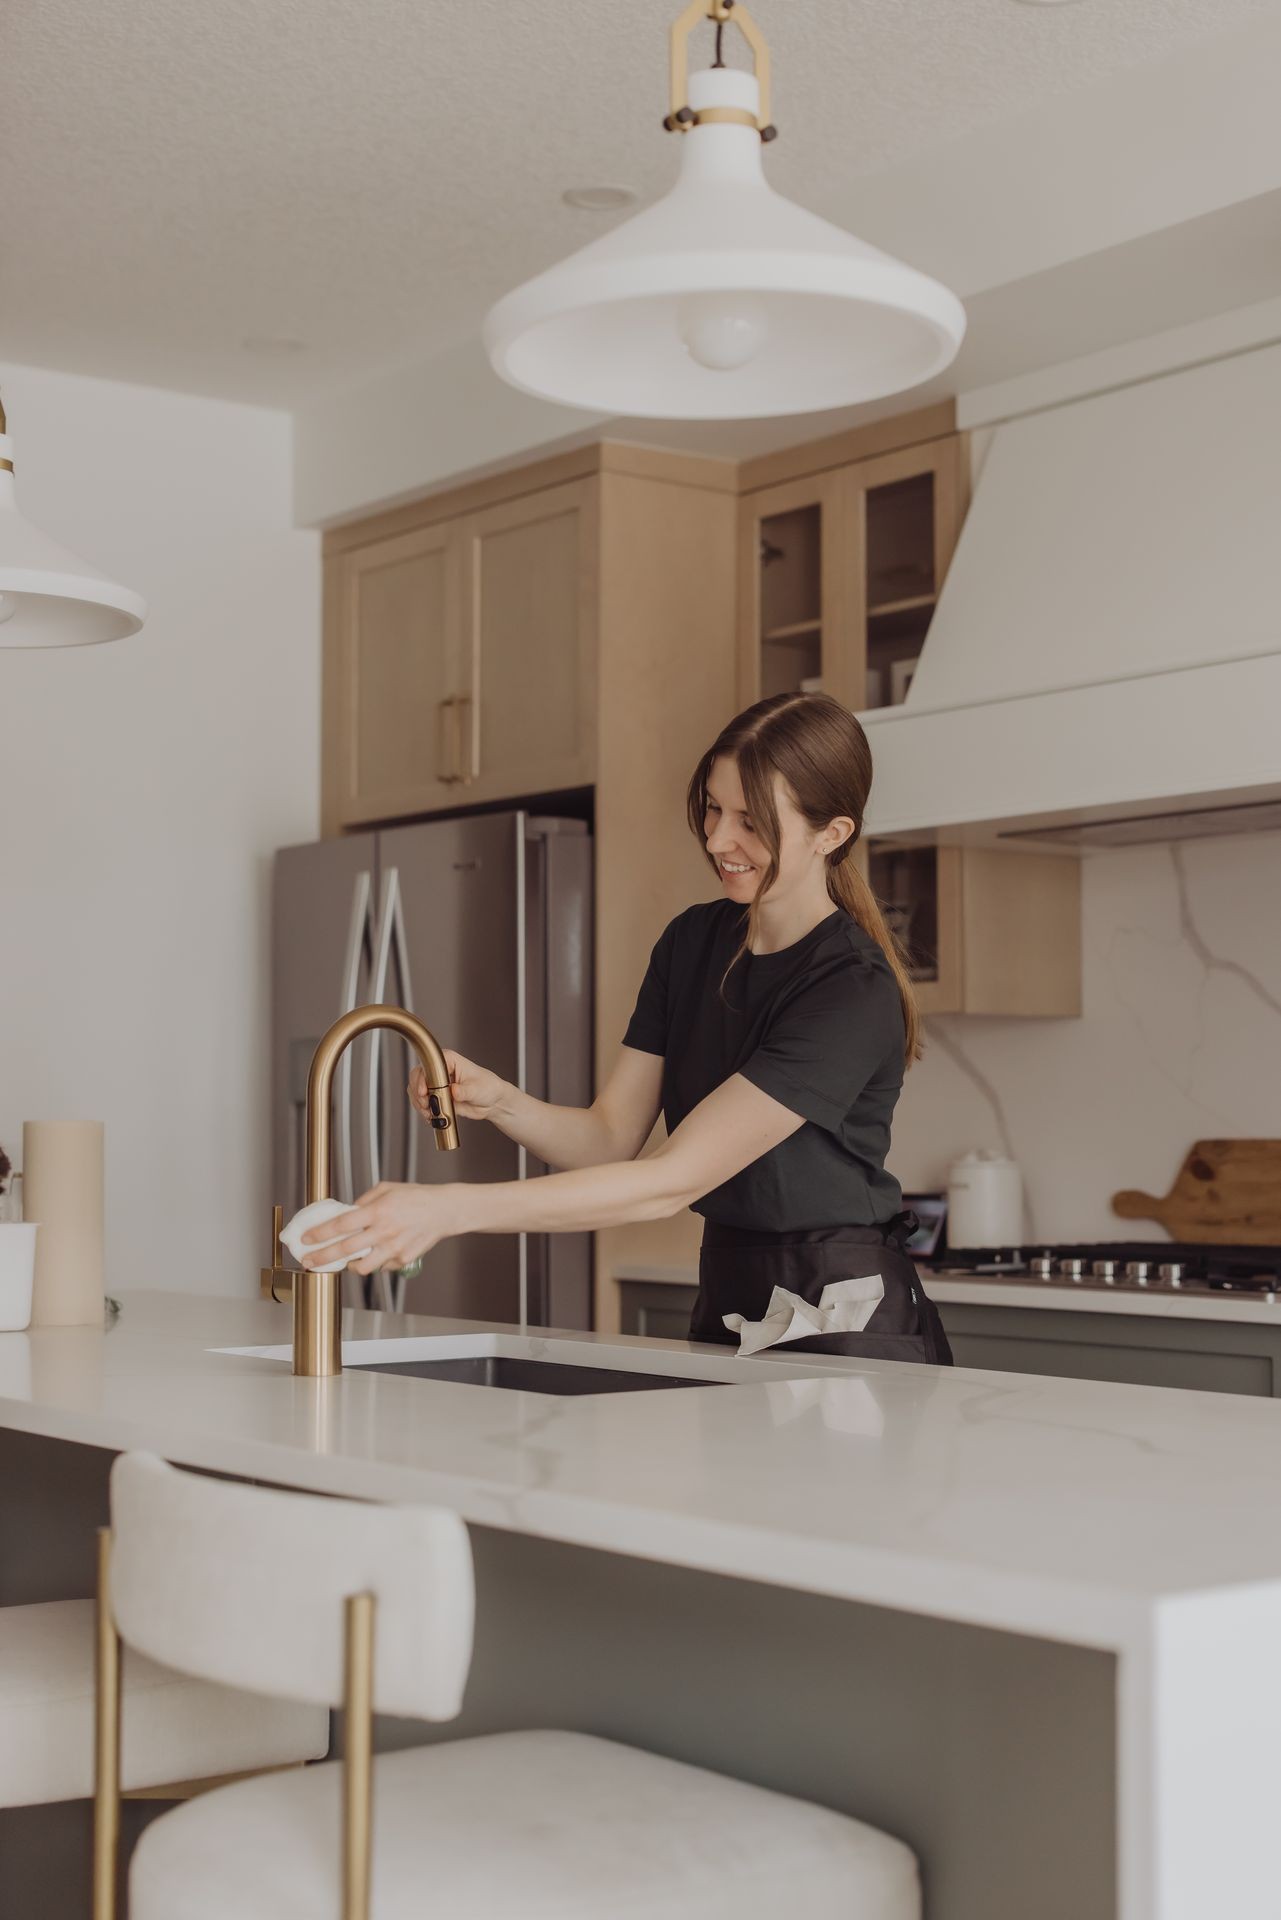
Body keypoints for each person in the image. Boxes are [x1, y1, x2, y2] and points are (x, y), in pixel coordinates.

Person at [301, 691, 952, 1365]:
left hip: (844, 1315)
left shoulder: (848, 988)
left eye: (751, 822)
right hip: (731, 1294)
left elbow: (669, 1181)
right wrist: (500, 1101)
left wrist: (449, 1211)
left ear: (831, 833)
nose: (717, 839)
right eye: (712, 807)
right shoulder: (692, 941)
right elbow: (608, 1139)